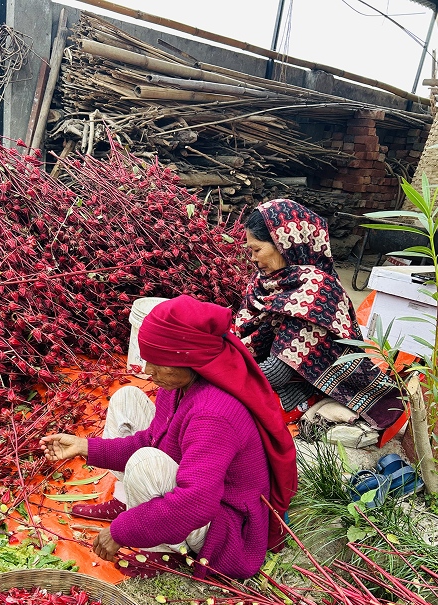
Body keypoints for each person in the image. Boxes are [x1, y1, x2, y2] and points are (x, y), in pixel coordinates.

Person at [40, 296, 297, 580]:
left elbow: (195, 503)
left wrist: (121, 531)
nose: (147, 371)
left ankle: (169, 550)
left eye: (157, 363)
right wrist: (84, 446)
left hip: (226, 527)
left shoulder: (213, 414)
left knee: (145, 463)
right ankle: (127, 501)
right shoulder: (177, 386)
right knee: (126, 398)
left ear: (191, 359)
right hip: (201, 495)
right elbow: (151, 438)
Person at [235, 199, 405, 431]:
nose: (253, 259)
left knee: (226, 409)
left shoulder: (315, 292)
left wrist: (219, 370)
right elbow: (242, 337)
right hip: (260, 371)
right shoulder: (266, 281)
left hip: (297, 383)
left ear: (285, 244)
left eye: (257, 250)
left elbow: (277, 372)